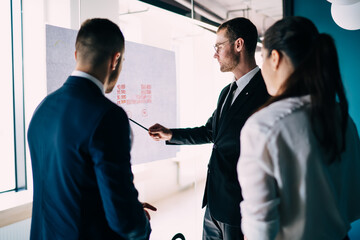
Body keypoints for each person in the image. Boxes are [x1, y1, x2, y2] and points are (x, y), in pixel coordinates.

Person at [27, 18, 156, 240]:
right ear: (115, 59)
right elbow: (124, 222)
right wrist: (140, 219)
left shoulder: (42, 109)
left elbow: (71, 190)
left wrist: (126, 207)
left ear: (76, 55)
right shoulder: (108, 116)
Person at [237, 16, 360, 240]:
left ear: (274, 58)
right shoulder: (341, 117)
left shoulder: (263, 126)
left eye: (262, 58)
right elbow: (353, 205)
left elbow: (259, 230)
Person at [148, 17, 269, 239]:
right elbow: (211, 132)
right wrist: (171, 134)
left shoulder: (267, 90)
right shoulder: (226, 92)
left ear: (238, 45)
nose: (215, 54)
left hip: (240, 207)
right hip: (213, 204)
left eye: (218, 46)